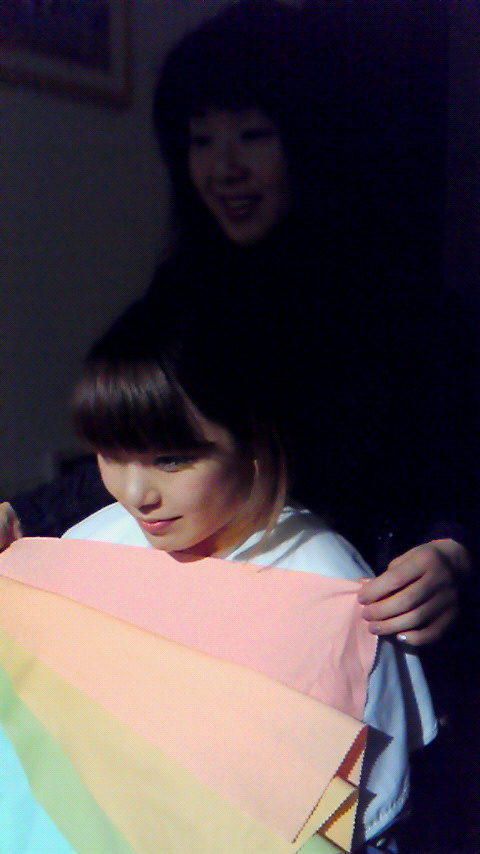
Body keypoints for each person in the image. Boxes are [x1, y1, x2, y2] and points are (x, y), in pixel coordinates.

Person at [1, 0, 476, 649]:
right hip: (223, 606)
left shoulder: (403, 302)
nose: (224, 168)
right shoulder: (187, 290)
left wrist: (453, 551)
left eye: (252, 135)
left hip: (356, 610)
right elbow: (148, 448)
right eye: (201, 140)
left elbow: (457, 464)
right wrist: (24, 511)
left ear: (310, 139)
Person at [53, 294, 435, 852]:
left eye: (172, 460)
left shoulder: (327, 586)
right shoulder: (92, 545)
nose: (137, 494)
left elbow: (366, 818)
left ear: (254, 439)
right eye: (112, 455)